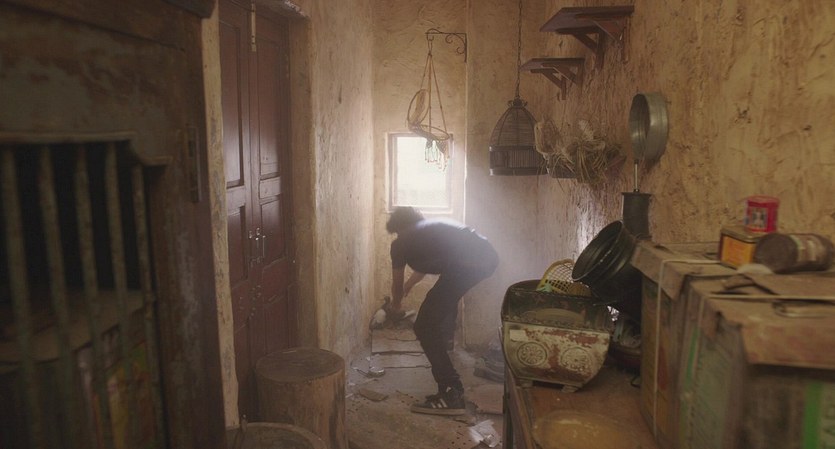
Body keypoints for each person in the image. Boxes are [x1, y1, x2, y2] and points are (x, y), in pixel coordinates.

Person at [385, 206, 499, 415]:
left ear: (400, 228)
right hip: (484, 258)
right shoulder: (429, 231)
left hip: (468, 264)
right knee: (442, 302)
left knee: (424, 326)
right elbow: (424, 265)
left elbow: (396, 285)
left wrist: (395, 306)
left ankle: (451, 392)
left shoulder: (401, 244)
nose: (399, 236)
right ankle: (445, 343)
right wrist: (410, 285)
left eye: (399, 232)